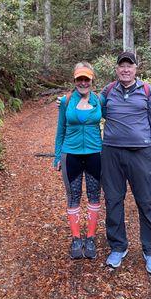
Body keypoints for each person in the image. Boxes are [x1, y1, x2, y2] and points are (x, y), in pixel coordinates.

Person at [100, 51, 151, 274]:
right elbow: (90, 111)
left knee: (146, 201)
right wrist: (67, 102)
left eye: (130, 65)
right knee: (113, 200)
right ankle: (118, 246)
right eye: (122, 66)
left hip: (141, 153)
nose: (125, 69)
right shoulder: (108, 91)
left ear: (136, 69)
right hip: (111, 153)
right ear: (117, 69)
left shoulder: (146, 91)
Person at [54, 62, 102, 260]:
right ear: (74, 81)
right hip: (70, 154)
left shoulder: (100, 100)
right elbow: (60, 130)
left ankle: (90, 238)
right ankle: (76, 239)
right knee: (73, 196)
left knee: (94, 195)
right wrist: (57, 155)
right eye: (79, 79)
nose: (83, 82)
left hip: (95, 153)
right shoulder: (66, 101)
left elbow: (114, 119)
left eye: (86, 79)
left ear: (92, 81)